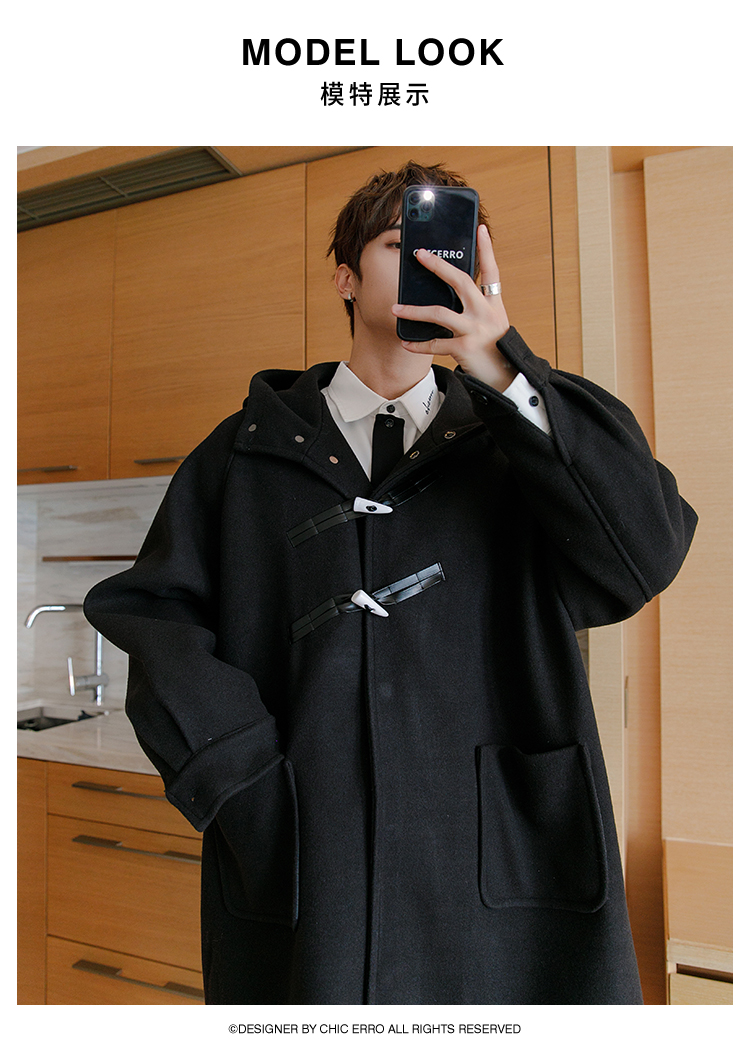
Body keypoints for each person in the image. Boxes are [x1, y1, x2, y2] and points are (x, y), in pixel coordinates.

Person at [84, 161, 697, 1005]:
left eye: (455, 250)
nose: (432, 265)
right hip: (309, 865)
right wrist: (246, 787)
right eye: (401, 245)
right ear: (345, 276)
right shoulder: (244, 452)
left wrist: (503, 367)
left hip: (502, 861)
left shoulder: (518, 440)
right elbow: (154, 621)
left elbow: (646, 551)